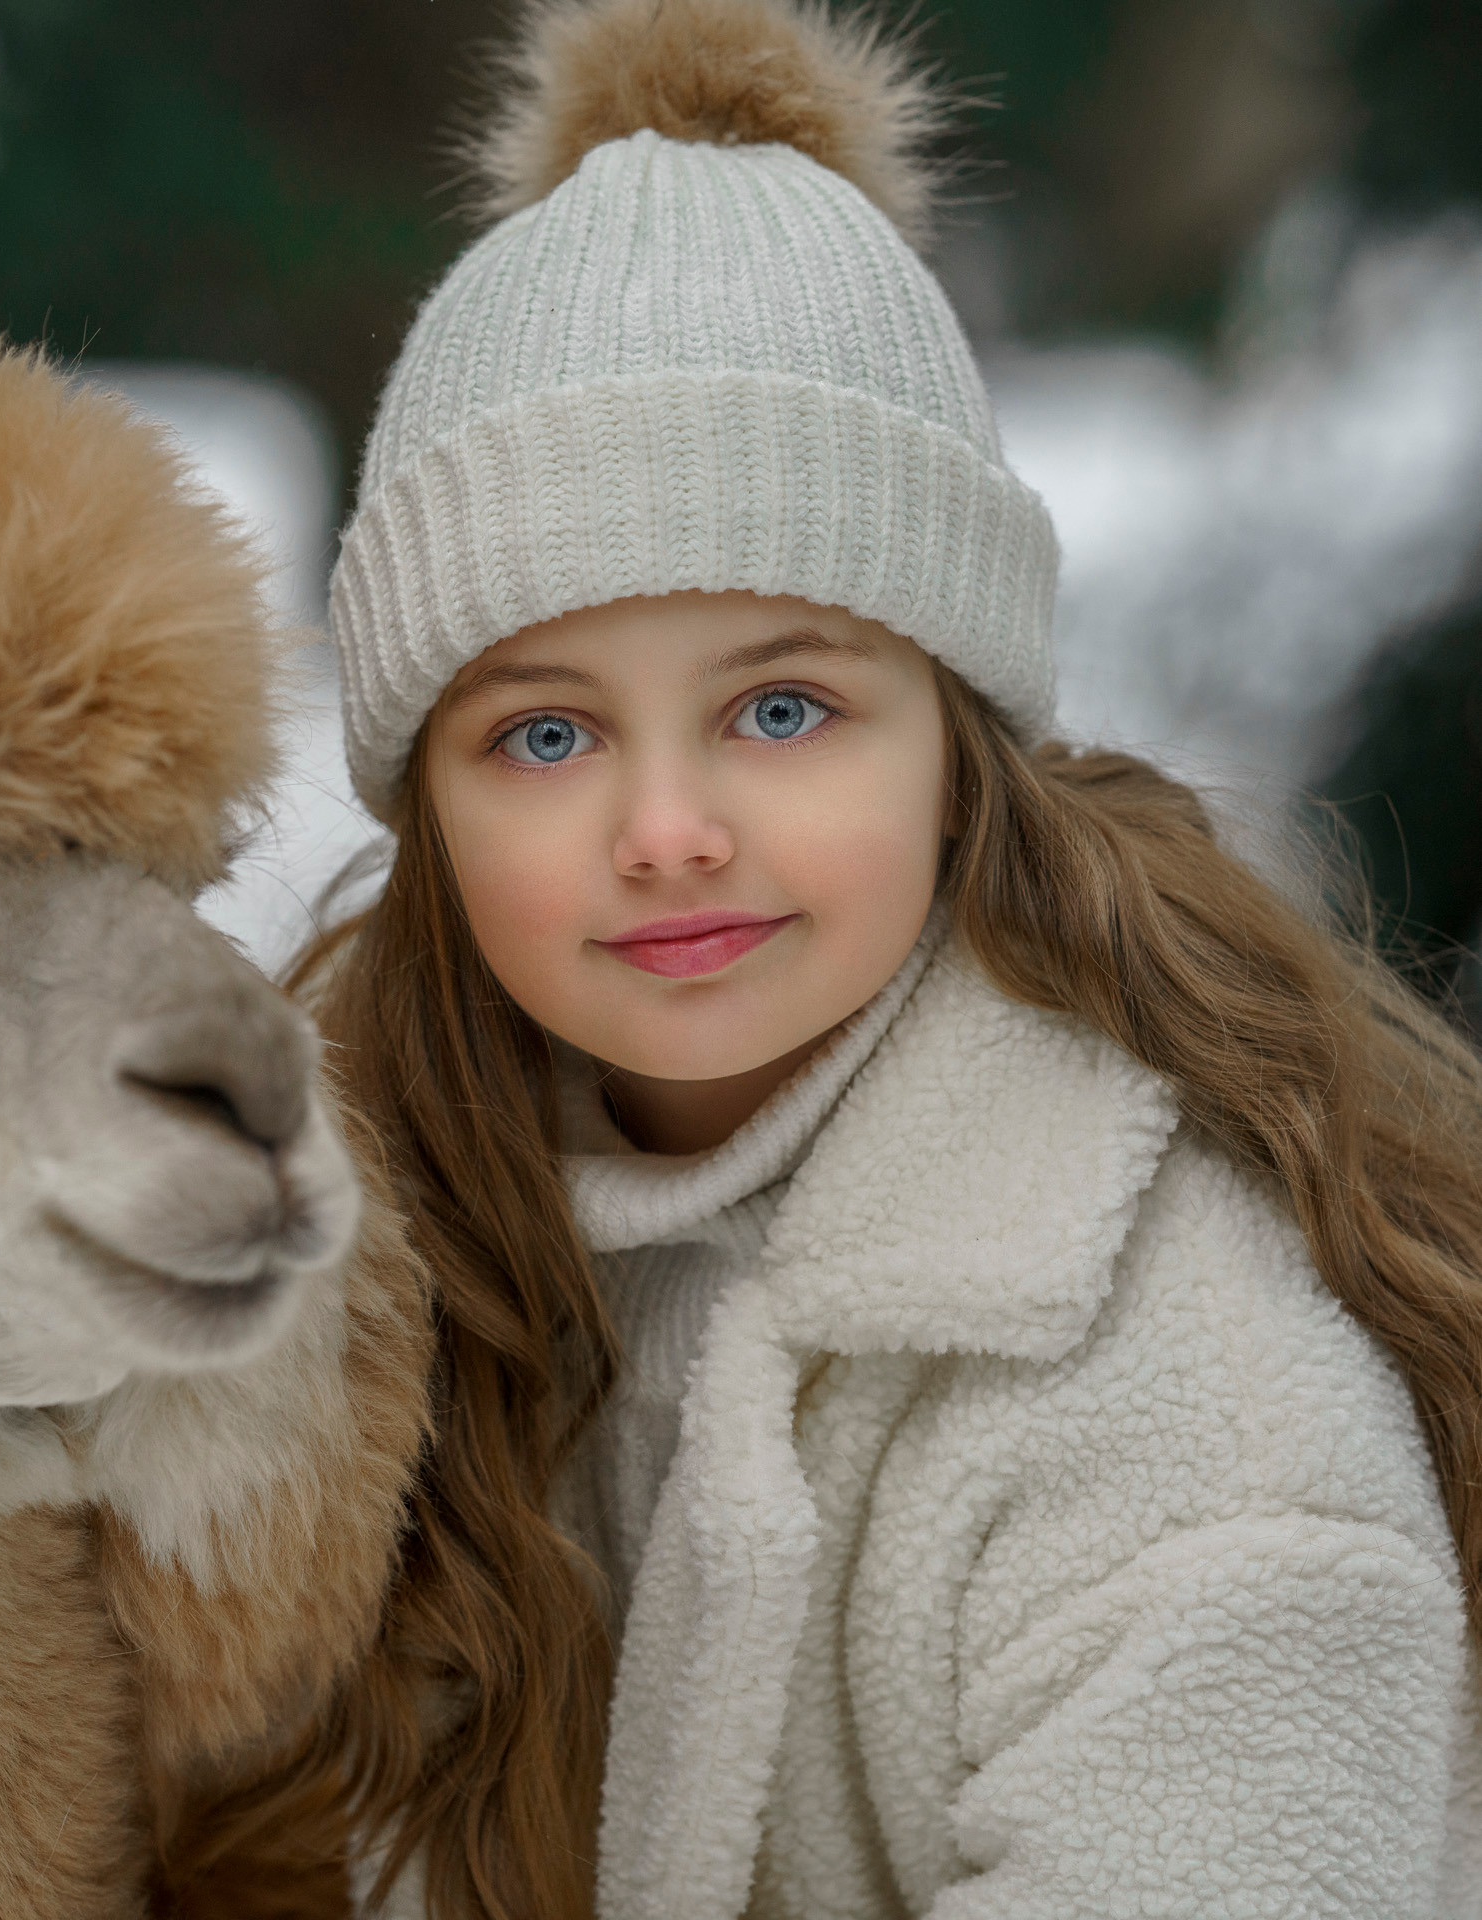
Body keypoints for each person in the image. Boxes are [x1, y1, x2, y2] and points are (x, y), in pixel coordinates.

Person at [268, 1, 1482, 1915]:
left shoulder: (1186, 1394)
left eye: (779, 711)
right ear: (429, 813)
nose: (666, 829)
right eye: (548, 736)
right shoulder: (353, 1281)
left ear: (958, 751)